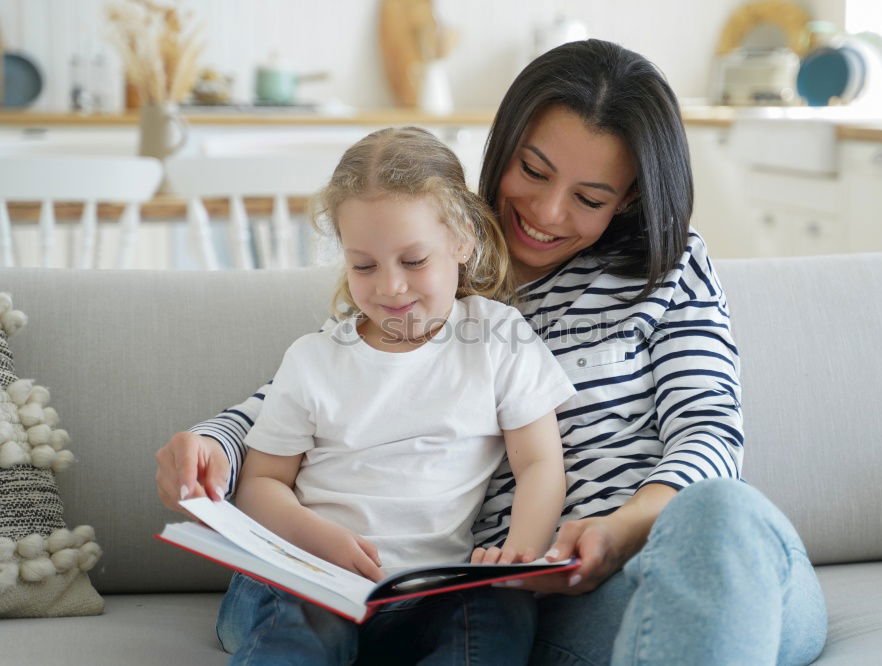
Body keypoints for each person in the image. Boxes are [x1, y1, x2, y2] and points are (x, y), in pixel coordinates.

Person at [157, 40, 828, 665]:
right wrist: (214, 443)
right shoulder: (435, 267)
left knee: (719, 511)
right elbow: (319, 391)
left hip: (683, 553)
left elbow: (709, 427)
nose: (546, 211)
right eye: (531, 170)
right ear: (502, 145)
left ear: (626, 202)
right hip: (566, 604)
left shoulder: (670, 266)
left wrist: (623, 529)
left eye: (589, 198)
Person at [215, 126, 576, 664]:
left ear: (463, 240)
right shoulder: (315, 359)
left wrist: (518, 555)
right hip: (307, 575)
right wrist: (320, 540)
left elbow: (541, 463)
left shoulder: (499, 338)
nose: (389, 287)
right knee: (302, 622)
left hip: (425, 596)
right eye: (364, 265)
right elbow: (261, 484)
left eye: (413, 261)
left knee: (498, 612)